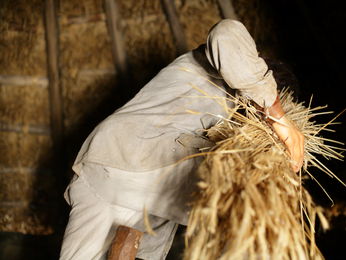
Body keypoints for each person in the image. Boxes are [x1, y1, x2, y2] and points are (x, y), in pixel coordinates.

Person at [59, 19, 304, 260]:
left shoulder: (224, 126)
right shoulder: (220, 64)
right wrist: (279, 118)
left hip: (131, 191)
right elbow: (225, 32)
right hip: (122, 162)